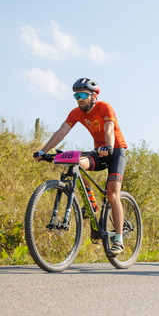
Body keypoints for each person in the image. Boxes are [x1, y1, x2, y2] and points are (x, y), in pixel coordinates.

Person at [33, 78, 128, 256]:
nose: (79, 99)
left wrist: (108, 146)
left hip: (115, 151)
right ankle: (91, 203)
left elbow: (109, 129)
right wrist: (43, 151)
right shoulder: (76, 112)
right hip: (99, 151)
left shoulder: (105, 107)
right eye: (76, 96)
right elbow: (61, 133)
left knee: (112, 194)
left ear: (94, 95)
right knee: (77, 163)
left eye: (83, 95)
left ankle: (118, 240)